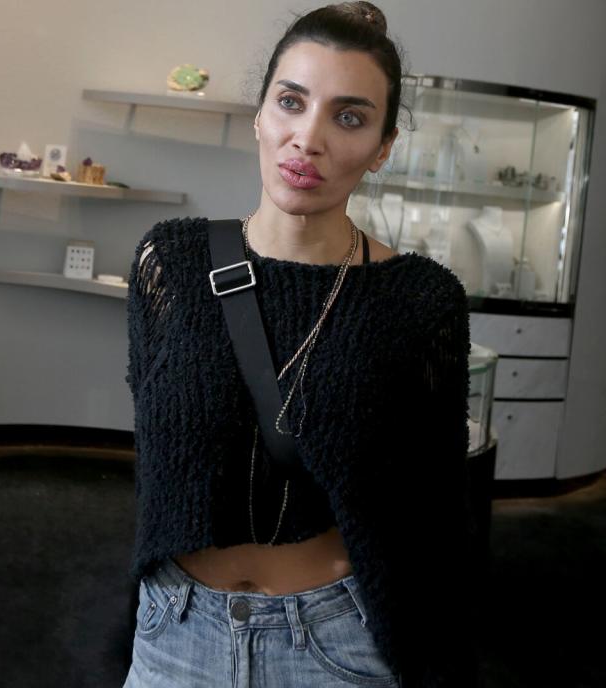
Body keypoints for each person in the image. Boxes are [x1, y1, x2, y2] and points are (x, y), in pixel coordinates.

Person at [122, 3, 482, 686]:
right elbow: (155, 463)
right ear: (259, 114)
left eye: (349, 117)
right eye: (291, 102)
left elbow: (436, 512)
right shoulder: (168, 262)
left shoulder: (419, 299)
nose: (307, 138)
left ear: (382, 147)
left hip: (334, 644)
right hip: (174, 634)